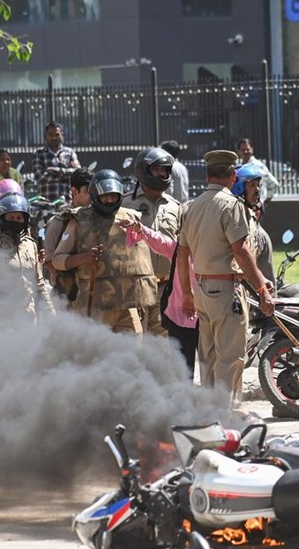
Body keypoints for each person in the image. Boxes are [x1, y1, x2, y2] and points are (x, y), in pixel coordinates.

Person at [176, 150, 275, 405]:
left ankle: (209, 414)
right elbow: (241, 251)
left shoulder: (190, 207)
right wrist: (263, 290)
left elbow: (182, 254)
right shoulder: (232, 206)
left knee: (207, 356)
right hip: (226, 290)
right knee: (230, 357)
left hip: (201, 289)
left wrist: (186, 293)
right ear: (233, 177)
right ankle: (226, 415)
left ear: (207, 175)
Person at [52, 169, 157, 333]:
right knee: (97, 355)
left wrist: (140, 297)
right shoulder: (79, 219)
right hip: (92, 305)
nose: (109, 200)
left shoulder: (130, 218)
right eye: (105, 196)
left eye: (113, 195)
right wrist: (84, 258)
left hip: (126, 307)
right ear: (95, 195)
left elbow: (140, 260)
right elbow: (58, 260)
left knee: (133, 352)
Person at [121, 217, 199, 377]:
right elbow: (157, 240)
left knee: (209, 365)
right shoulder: (176, 249)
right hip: (179, 317)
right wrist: (139, 228)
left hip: (205, 318)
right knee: (183, 368)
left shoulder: (211, 252)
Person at [121, 147, 182, 336]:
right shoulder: (124, 204)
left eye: (165, 169)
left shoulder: (175, 207)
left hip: (165, 288)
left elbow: (181, 247)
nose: (162, 173)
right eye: (156, 169)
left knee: (161, 347)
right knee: (133, 343)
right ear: (143, 171)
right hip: (133, 287)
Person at [0, 194, 55, 330]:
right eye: (10, 218)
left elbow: (39, 285)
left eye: (19, 218)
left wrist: (51, 314)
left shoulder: (31, 245)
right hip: (3, 321)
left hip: (29, 320)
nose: (15, 221)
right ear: (1, 219)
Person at [43, 168, 93, 302]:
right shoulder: (59, 222)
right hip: (69, 298)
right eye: (88, 191)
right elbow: (50, 262)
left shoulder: (99, 219)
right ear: (74, 192)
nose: (93, 196)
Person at [233, 164, 275, 285]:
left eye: (259, 186)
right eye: (252, 185)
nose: (257, 190)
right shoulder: (232, 220)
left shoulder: (256, 227)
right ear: (238, 188)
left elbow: (267, 272)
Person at [32, 121, 81, 202]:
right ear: (45, 136)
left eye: (57, 134)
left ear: (62, 135)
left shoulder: (70, 152)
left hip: (67, 201)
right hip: (46, 204)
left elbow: (77, 173)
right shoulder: (39, 154)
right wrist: (67, 174)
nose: (54, 137)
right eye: (50, 135)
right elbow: (40, 178)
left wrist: (54, 170)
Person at [236, 138, 280, 204]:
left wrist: (264, 200)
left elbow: (274, 184)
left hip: (255, 207)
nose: (245, 152)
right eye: (243, 150)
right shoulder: (238, 168)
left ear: (252, 150)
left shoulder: (258, 166)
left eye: (247, 149)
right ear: (238, 151)